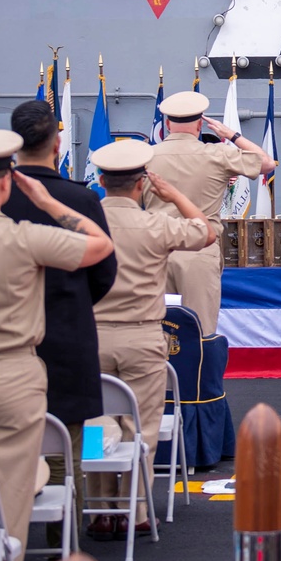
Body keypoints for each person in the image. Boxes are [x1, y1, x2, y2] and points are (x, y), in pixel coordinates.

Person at [0, 130, 113, 561]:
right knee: (5, 499)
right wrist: (49, 202)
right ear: (5, 183)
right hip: (12, 375)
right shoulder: (23, 235)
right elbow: (99, 246)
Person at [1, 98, 117, 542]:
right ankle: (61, 543)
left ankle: (5, 549)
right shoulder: (79, 198)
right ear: (58, 142)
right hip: (67, 336)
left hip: (5, 343)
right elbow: (104, 270)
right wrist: (71, 304)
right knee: (64, 450)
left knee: (2, 451)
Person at [89, 139, 214, 536]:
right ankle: (137, 510)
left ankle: (99, 511)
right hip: (142, 337)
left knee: (96, 423)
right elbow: (205, 232)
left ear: (100, 180)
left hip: (92, 338)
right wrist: (174, 194)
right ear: (141, 184)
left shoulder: (84, 223)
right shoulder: (156, 223)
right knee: (140, 427)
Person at [147, 90, 272, 335]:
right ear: (198, 124)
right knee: (200, 332)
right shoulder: (217, 154)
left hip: (154, 252)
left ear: (168, 124)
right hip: (198, 251)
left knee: (153, 332)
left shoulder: (147, 156)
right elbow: (266, 163)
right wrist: (231, 135)